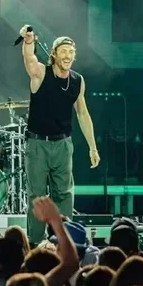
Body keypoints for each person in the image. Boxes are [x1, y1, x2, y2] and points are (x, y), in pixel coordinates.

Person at [19, 25, 100, 243]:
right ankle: (35, 244)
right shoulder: (41, 73)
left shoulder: (77, 81)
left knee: (64, 195)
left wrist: (93, 147)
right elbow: (29, 60)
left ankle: (64, 242)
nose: (68, 56)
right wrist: (28, 42)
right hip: (38, 144)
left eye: (71, 52)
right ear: (54, 54)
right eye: (64, 51)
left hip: (63, 144)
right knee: (37, 196)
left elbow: (82, 113)